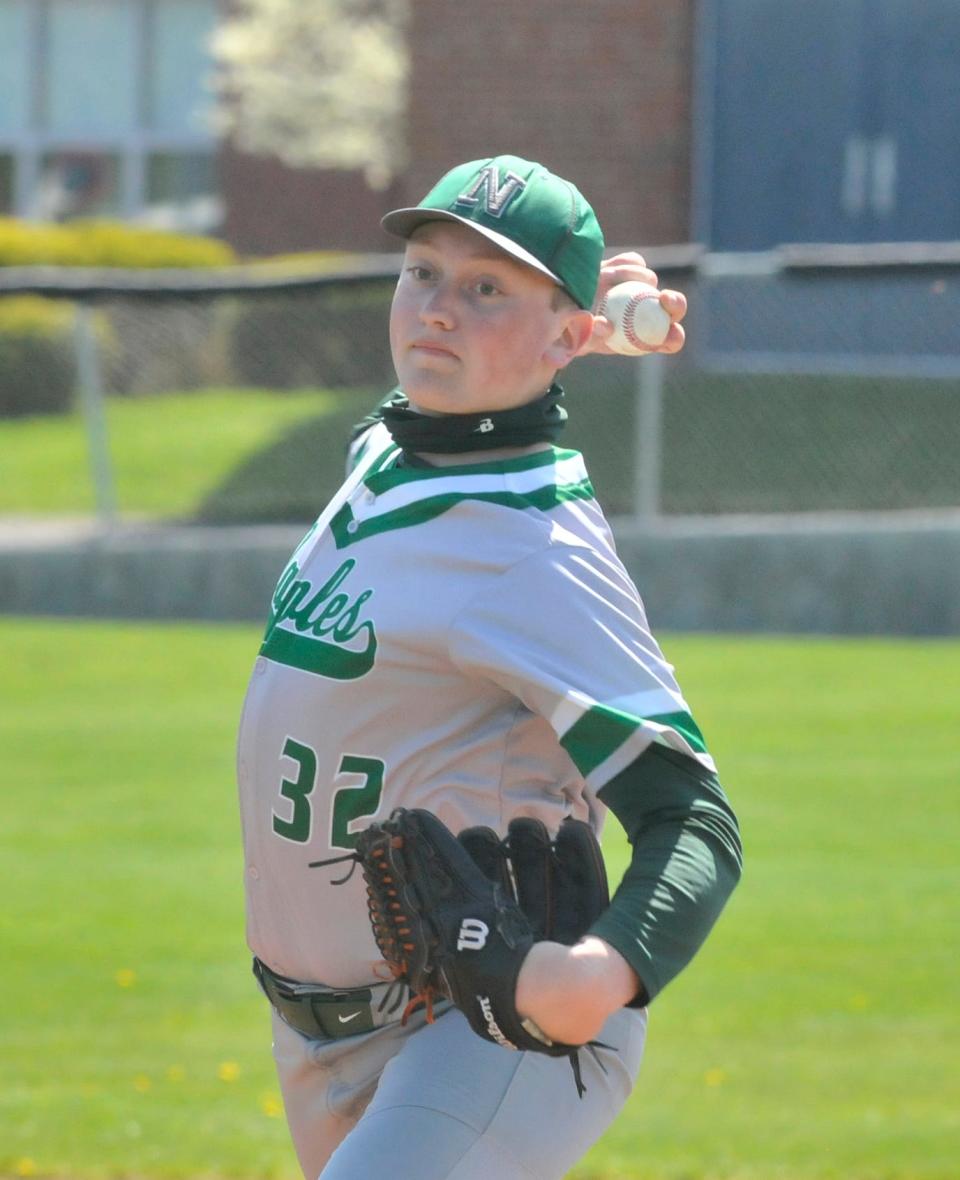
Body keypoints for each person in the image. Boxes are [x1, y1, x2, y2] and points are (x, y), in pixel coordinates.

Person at [236, 154, 742, 1180]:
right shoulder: (391, 453)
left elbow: (695, 819)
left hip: (485, 1025)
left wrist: (601, 972)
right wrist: (569, 334)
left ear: (559, 329)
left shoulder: (533, 550)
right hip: (321, 1030)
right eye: (424, 271)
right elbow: (443, 404)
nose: (436, 310)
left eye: (486, 288)